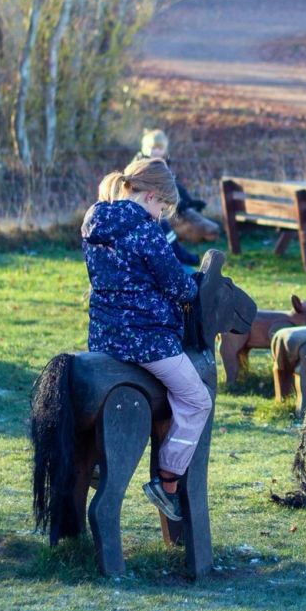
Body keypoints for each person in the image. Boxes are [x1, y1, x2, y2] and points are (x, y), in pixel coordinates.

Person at [83, 158, 204, 522]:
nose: (160, 215)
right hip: (147, 339)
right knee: (197, 401)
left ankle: (91, 462)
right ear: (151, 195)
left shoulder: (93, 221)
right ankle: (167, 482)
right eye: (162, 208)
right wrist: (193, 285)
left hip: (104, 337)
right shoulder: (146, 230)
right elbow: (178, 286)